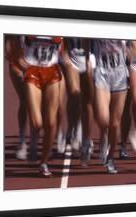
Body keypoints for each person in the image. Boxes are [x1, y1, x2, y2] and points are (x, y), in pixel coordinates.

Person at [22, 35, 63, 177]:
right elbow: (12, 48)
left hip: (52, 70)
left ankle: (43, 162)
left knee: (51, 123)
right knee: (37, 123)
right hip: (32, 70)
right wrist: (22, 64)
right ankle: (33, 139)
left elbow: (65, 48)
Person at [88, 38, 129, 173]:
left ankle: (110, 158)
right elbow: (85, 42)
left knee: (115, 124)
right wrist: (89, 59)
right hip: (101, 72)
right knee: (103, 119)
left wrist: (130, 55)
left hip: (120, 74)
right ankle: (103, 135)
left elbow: (134, 47)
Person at [61, 38, 95, 161]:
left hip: (90, 60)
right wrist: (64, 55)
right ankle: (72, 127)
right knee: (74, 94)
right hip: (72, 59)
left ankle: (84, 137)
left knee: (87, 101)